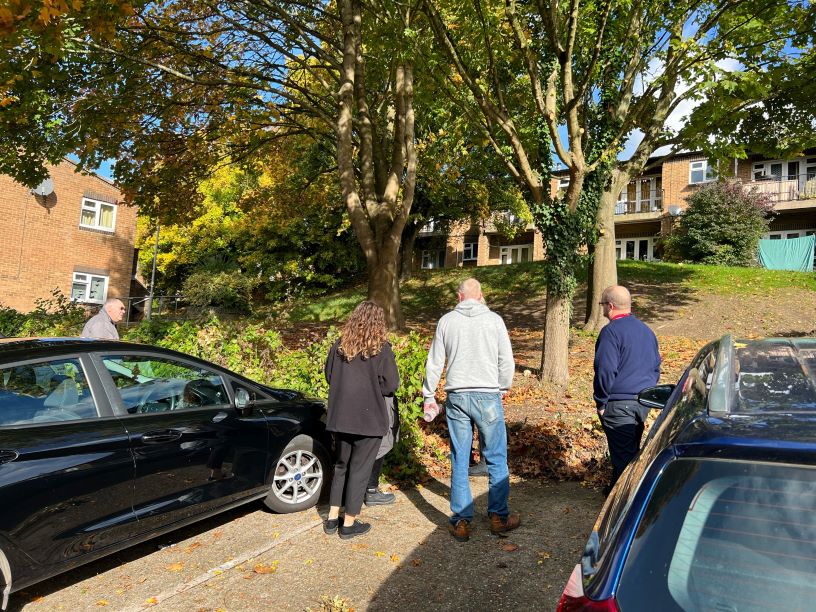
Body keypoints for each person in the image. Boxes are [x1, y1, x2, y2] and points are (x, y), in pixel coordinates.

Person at [423, 278, 518, 542]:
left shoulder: (447, 321)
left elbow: (434, 361)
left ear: (459, 296)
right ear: (482, 296)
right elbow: (506, 359)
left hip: (457, 394)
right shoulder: (494, 321)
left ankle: (462, 521)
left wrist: (429, 393)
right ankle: (498, 516)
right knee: (497, 457)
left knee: (460, 457)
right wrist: (503, 386)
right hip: (487, 394)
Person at [324, 301, 400, 539]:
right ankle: (348, 524)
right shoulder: (382, 349)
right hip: (369, 420)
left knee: (340, 467)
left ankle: (331, 519)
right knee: (359, 470)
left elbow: (329, 375)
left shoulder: (339, 346)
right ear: (379, 323)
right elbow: (391, 385)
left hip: (340, 417)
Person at [593, 285, 661, 494]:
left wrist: (601, 401)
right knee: (628, 452)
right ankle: (614, 489)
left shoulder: (611, 332)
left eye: (603, 304)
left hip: (618, 404)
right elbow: (656, 366)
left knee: (624, 458)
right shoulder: (647, 331)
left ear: (610, 306)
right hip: (643, 402)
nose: (602, 308)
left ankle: (625, 504)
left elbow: (605, 370)